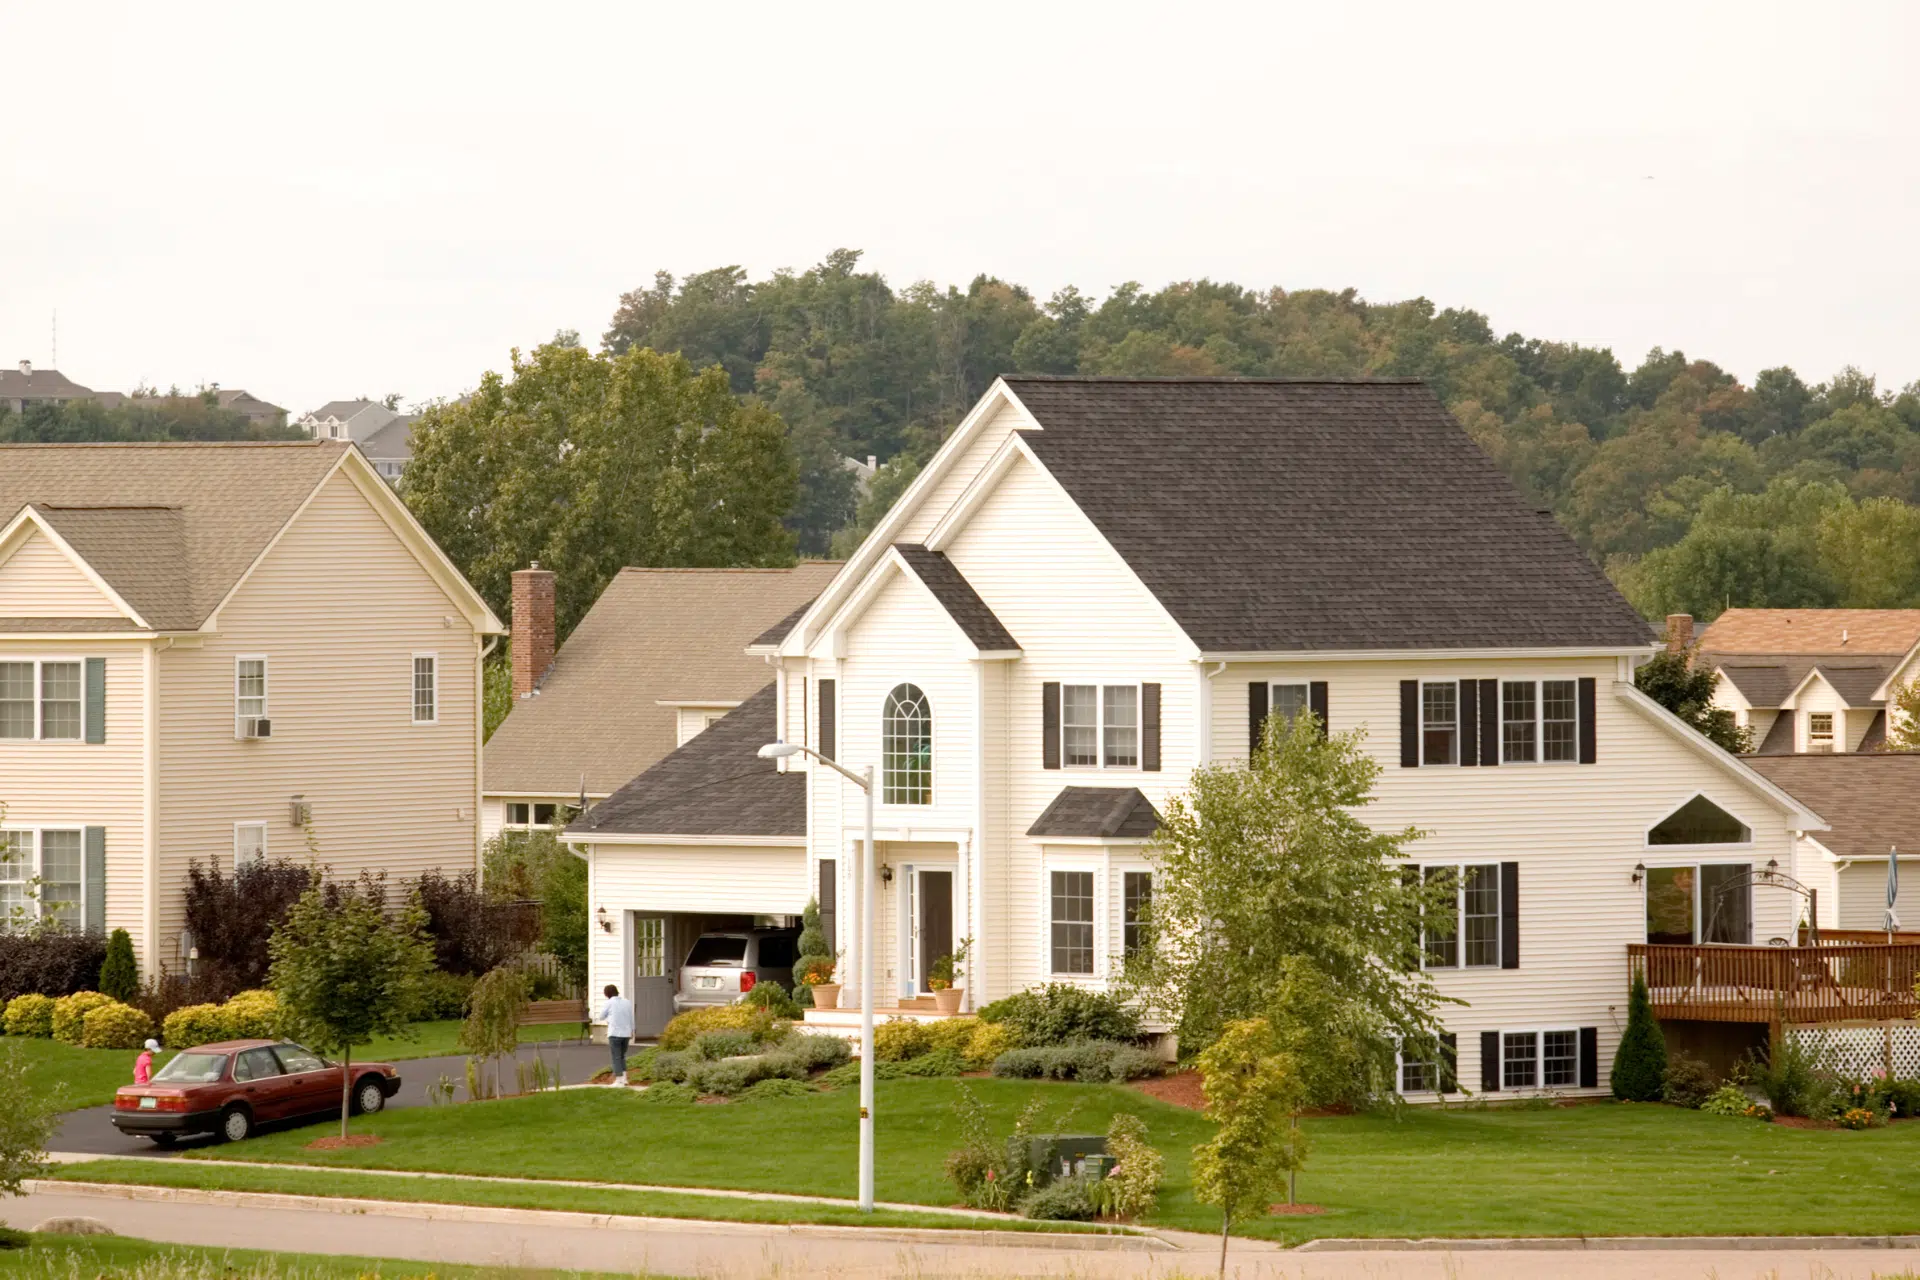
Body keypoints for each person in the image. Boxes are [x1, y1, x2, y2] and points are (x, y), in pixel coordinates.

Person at [601, 984, 634, 1085]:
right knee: (622, 1056)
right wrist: (632, 1030)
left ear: (607, 994)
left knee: (616, 1057)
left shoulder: (609, 1003)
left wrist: (609, 1019)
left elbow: (601, 1016)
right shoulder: (627, 1002)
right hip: (626, 1033)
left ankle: (618, 1080)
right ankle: (624, 1079)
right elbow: (631, 1017)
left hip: (614, 1033)